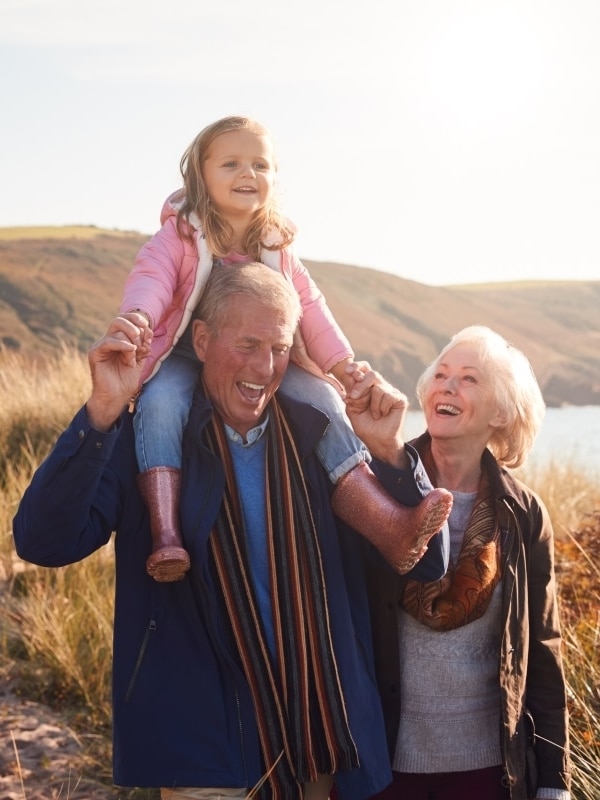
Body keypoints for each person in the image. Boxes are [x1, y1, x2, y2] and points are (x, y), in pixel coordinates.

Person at [13, 263, 450, 800]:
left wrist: (389, 453)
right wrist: (102, 411)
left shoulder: (322, 440)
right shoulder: (150, 445)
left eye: (280, 348)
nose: (265, 368)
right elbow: (43, 542)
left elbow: (427, 565)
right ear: (201, 339)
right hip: (202, 747)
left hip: (321, 741)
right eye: (246, 345)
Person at [118, 114, 451, 582]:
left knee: (325, 399)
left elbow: (310, 306)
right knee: (160, 403)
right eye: (231, 163)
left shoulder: (277, 246)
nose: (247, 174)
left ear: (275, 178)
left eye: (260, 165)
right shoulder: (181, 235)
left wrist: (342, 363)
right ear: (200, 173)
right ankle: (166, 533)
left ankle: (388, 524)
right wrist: (138, 318)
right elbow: (151, 278)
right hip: (185, 352)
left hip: (264, 355)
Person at [360, 326, 571, 800]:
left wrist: (554, 779)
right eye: (441, 375)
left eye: (469, 379)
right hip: (379, 766)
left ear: (500, 412)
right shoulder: (376, 483)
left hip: (489, 772)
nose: (447, 387)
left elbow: (542, 647)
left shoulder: (524, 515)